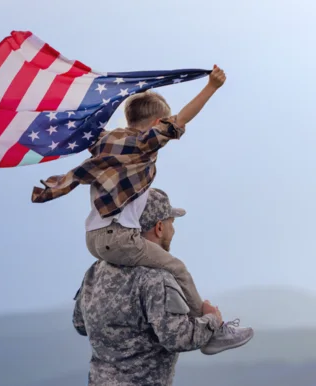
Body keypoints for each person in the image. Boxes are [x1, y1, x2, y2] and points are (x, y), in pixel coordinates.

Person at [33, 66, 228, 320]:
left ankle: (87, 311)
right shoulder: (143, 144)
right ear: (158, 123)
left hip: (93, 237)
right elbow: (181, 120)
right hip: (119, 237)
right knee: (177, 268)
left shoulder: (107, 140)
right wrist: (211, 86)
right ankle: (210, 325)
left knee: (129, 265)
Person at [72, 188, 254, 385]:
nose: (173, 230)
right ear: (159, 227)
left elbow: (80, 324)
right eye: (171, 224)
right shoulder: (156, 279)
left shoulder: (96, 270)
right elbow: (178, 337)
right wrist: (212, 320)